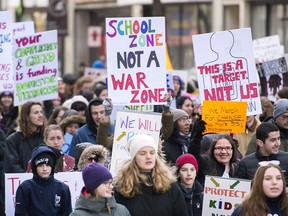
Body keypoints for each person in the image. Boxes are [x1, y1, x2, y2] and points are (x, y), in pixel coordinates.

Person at [114, 134, 189, 216]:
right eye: (142, 153)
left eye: (152, 153)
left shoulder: (170, 186)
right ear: (134, 157)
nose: (148, 157)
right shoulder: (122, 187)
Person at [15, 145, 72, 216]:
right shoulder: (25, 188)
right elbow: (21, 213)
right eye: (40, 165)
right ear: (35, 167)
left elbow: (67, 213)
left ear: (52, 166)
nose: (44, 169)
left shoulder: (63, 188)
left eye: (48, 165)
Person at [5, 102, 46, 173]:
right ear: (26, 116)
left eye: (41, 112)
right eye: (36, 113)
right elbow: (12, 166)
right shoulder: (13, 140)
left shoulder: (46, 138)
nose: (40, 115)